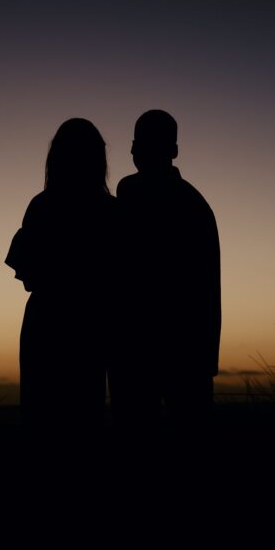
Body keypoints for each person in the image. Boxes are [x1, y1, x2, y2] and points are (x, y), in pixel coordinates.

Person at [5, 118, 118, 430]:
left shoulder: (41, 207)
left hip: (47, 326)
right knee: (85, 417)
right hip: (91, 327)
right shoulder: (111, 211)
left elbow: (27, 275)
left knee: (41, 419)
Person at [112, 109, 221, 427]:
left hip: (150, 351)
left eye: (144, 145)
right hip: (181, 352)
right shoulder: (194, 204)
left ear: (172, 151)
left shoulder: (135, 197)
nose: (137, 152)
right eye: (137, 145)